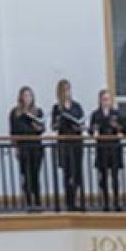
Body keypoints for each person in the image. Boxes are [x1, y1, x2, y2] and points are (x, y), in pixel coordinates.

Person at [9, 85, 45, 210]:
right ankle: (28, 201)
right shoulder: (15, 113)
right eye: (25, 96)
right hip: (23, 147)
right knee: (26, 174)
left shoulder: (38, 111)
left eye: (30, 95)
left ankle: (38, 201)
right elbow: (13, 132)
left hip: (36, 147)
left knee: (36, 174)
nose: (27, 98)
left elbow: (42, 129)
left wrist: (38, 127)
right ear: (20, 98)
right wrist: (15, 148)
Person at [52, 78, 86, 211]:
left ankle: (78, 199)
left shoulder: (76, 106)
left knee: (77, 171)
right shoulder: (57, 108)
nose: (67, 92)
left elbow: (82, 122)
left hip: (77, 141)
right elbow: (54, 126)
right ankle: (69, 201)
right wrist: (59, 121)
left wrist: (79, 125)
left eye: (68, 89)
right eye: (64, 90)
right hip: (65, 143)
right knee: (68, 172)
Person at [90, 89, 124, 211]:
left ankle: (116, 201)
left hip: (114, 147)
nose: (106, 102)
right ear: (100, 100)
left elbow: (122, 128)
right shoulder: (96, 114)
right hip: (102, 147)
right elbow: (91, 130)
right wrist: (94, 130)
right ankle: (105, 202)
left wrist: (117, 127)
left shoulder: (116, 113)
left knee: (115, 176)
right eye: (104, 99)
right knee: (103, 176)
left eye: (108, 99)